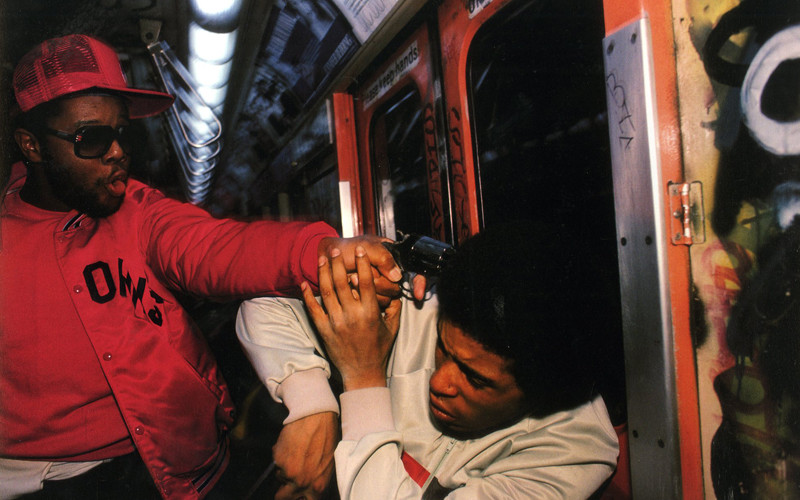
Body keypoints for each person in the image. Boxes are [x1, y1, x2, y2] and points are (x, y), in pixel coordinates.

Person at [0, 34, 405, 500]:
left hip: (189, 467)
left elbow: (217, 248)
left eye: (121, 133)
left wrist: (326, 252)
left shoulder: (138, 210)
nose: (116, 153)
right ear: (31, 146)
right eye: (90, 138)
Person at [237, 222, 620, 499]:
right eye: (443, 348)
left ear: (542, 398)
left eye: (477, 379)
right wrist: (312, 406)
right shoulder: (421, 308)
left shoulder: (571, 454)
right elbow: (267, 304)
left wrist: (364, 376)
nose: (440, 382)